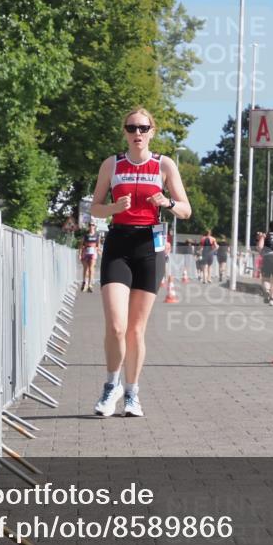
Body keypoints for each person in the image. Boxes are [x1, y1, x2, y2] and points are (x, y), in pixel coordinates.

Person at [87, 107, 191, 418]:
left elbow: (186, 209)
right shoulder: (112, 164)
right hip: (119, 244)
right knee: (116, 326)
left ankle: (132, 393)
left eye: (143, 128)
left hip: (150, 246)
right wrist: (114, 207)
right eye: (132, 128)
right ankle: (111, 386)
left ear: (152, 132)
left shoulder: (164, 165)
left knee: (135, 330)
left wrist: (167, 202)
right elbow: (94, 208)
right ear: (124, 131)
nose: (137, 133)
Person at [79, 221, 100, 292]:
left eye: (93, 225)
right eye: (90, 225)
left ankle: (90, 285)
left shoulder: (97, 235)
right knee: (86, 269)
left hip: (93, 253)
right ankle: (84, 282)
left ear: (95, 226)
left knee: (91, 268)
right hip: (86, 252)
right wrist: (80, 254)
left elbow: (98, 245)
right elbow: (81, 245)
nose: (91, 226)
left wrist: (98, 251)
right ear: (88, 226)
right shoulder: (85, 235)